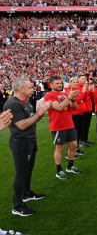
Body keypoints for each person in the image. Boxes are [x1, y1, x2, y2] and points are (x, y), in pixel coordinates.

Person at [3, 78, 52, 216]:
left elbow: (32, 119)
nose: (33, 89)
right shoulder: (12, 103)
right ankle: (18, 206)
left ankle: (27, 193)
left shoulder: (26, 101)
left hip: (30, 140)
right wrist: (40, 112)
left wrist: (41, 111)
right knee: (20, 172)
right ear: (21, 89)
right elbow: (22, 125)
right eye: (30, 87)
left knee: (28, 169)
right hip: (21, 142)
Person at [44, 75, 82, 180]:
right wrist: (69, 97)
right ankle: (58, 170)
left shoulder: (64, 94)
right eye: (57, 83)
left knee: (74, 145)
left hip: (69, 124)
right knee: (60, 148)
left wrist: (73, 100)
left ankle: (70, 166)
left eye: (60, 83)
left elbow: (74, 107)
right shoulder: (49, 96)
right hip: (58, 125)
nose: (59, 85)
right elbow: (59, 108)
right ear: (50, 84)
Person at [65, 77, 86, 156]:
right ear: (70, 83)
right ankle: (69, 151)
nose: (75, 83)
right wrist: (83, 91)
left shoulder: (77, 90)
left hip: (79, 113)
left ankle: (76, 148)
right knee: (73, 133)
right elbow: (77, 100)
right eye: (73, 82)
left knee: (79, 132)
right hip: (73, 114)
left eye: (76, 82)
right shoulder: (68, 90)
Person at [80, 80, 95, 147]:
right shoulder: (79, 88)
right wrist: (84, 90)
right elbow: (81, 98)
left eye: (84, 79)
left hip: (89, 109)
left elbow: (92, 98)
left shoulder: (87, 88)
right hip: (83, 110)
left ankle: (85, 139)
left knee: (87, 126)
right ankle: (82, 141)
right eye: (82, 78)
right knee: (83, 126)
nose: (84, 80)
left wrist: (91, 91)